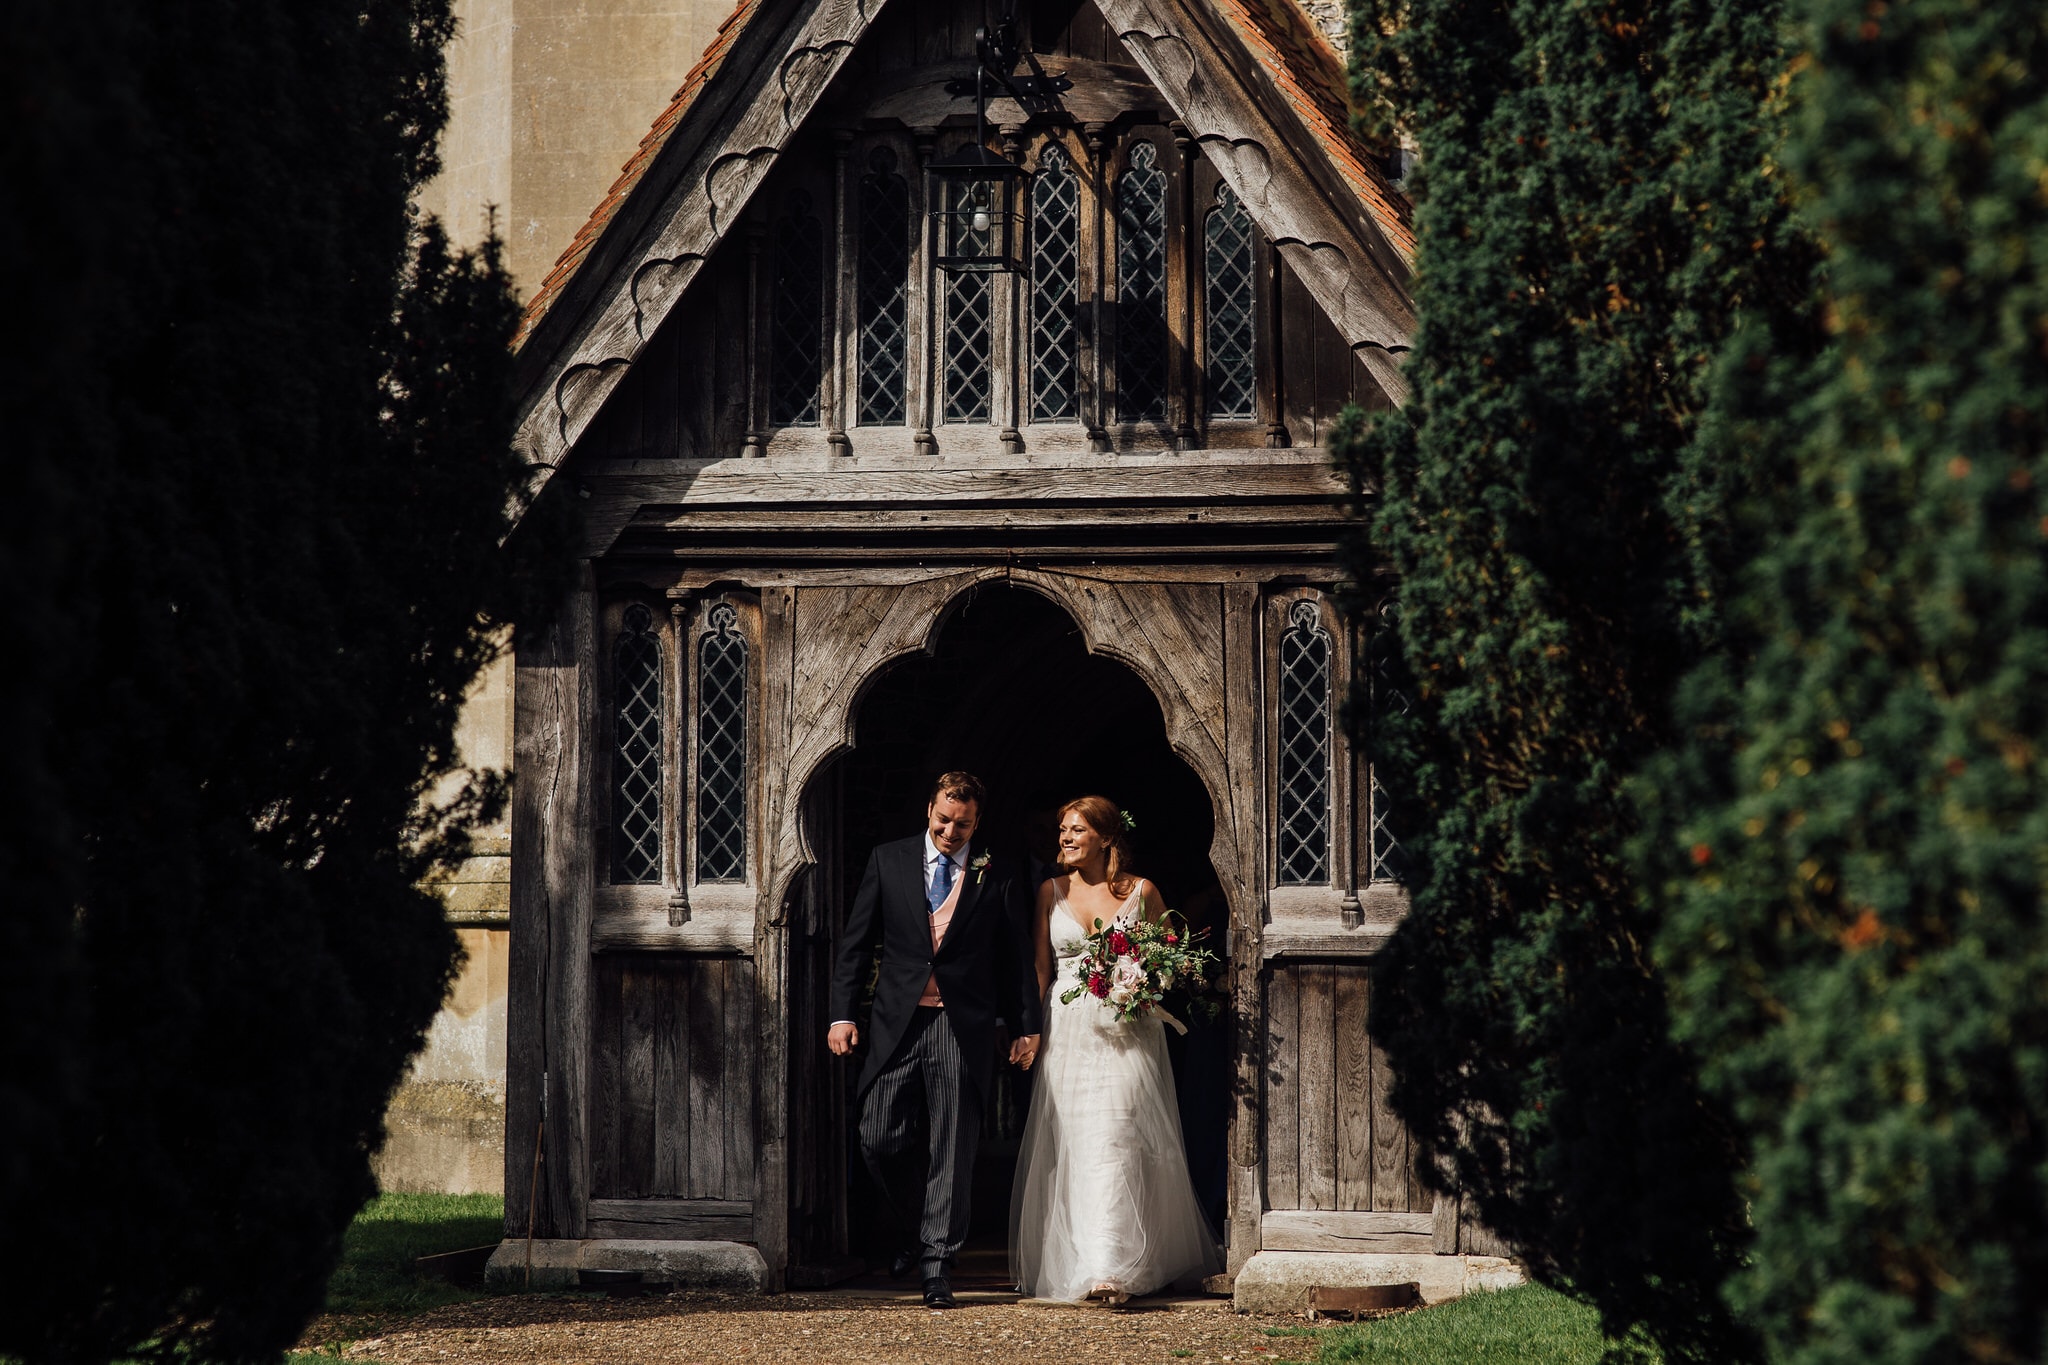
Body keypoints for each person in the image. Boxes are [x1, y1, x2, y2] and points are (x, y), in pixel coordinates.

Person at [828, 771, 1042, 1309]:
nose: (951, 832)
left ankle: (937, 1265)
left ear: (977, 821)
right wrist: (840, 1016)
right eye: (944, 820)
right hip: (895, 1022)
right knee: (877, 1135)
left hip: (960, 1024)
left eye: (963, 824)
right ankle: (912, 1228)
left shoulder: (998, 871)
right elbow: (856, 945)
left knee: (953, 1143)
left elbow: (1015, 958)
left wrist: (1025, 1025)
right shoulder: (888, 859)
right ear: (929, 810)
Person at [1009, 795, 1224, 1304]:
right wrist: (1029, 1030)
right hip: (1067, 1032)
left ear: (1106, 838)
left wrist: (1141, 982)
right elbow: (1040, 969)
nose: (1064, 838)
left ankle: (1113, 1267)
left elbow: (1172, 957)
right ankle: (1089, 1261)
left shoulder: (1141, 891)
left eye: (1076, 830)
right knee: (1077, 1143)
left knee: (1119, 1139)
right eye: (1062, 829)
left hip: (1128, 1034)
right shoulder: (1048, 891)